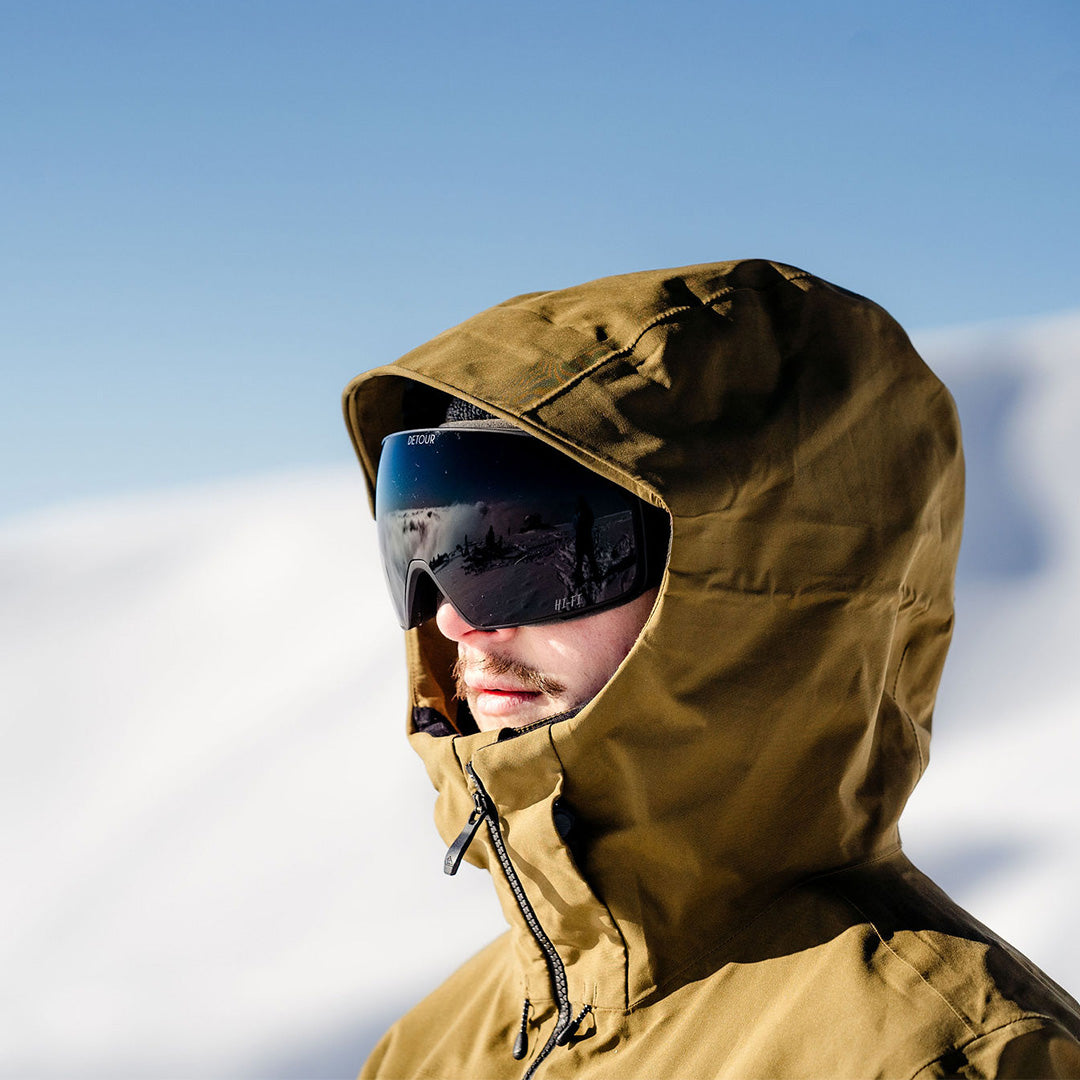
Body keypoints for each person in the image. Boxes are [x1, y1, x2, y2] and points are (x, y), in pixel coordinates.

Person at [342, 260, 1080, 1078]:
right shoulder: (428, 1048)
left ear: (755, 592)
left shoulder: (949, 1058)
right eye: (424, 547)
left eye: (535, 552)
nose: (453, 619)